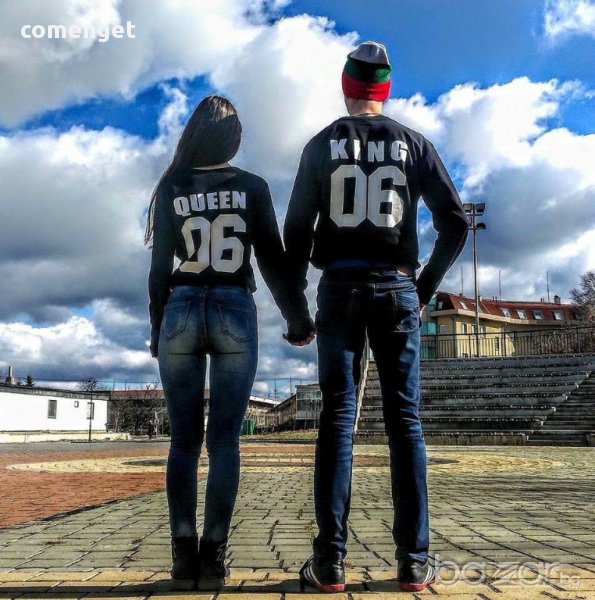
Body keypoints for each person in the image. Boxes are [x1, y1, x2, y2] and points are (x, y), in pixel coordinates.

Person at [284, 41, 468, 593]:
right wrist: (423, 287)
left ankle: (329, 561)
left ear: (346, 86)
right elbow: (455, 223)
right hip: (395, 287)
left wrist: (300, 304)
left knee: (338, 419)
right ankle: (413, 560)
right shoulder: (415, 144)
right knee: (404, 422)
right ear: (385, 90)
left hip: (340, 286)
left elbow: (296, 231)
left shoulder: (320, 144)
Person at [146, 95, 314, 590]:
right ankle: (214, 558)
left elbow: (158, 268)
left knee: (183, 441)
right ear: (234, 140)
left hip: (180, 305)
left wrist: (158, 328)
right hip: (234, 306)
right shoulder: (252, 186)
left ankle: (182, 559)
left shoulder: (172, 186)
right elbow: (272, 260)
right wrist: (298, 318)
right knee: (224, 442)